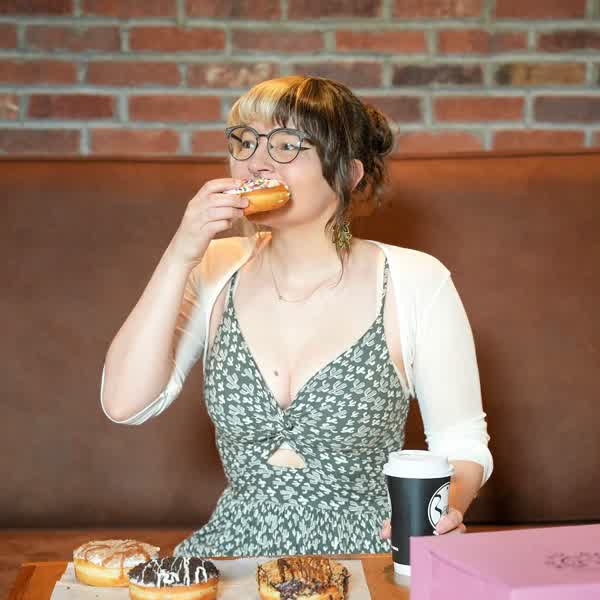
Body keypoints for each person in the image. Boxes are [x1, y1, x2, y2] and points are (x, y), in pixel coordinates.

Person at [100, 75, 493, 556]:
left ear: (348, 174)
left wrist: (441, 513)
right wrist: (180, 254)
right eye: (245, 141)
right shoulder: (215, 268)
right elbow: (125, 404)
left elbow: (461, 445)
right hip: (231, 555)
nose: (256, 162)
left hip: (367, 556)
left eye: (286, 145)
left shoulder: (416, 280)